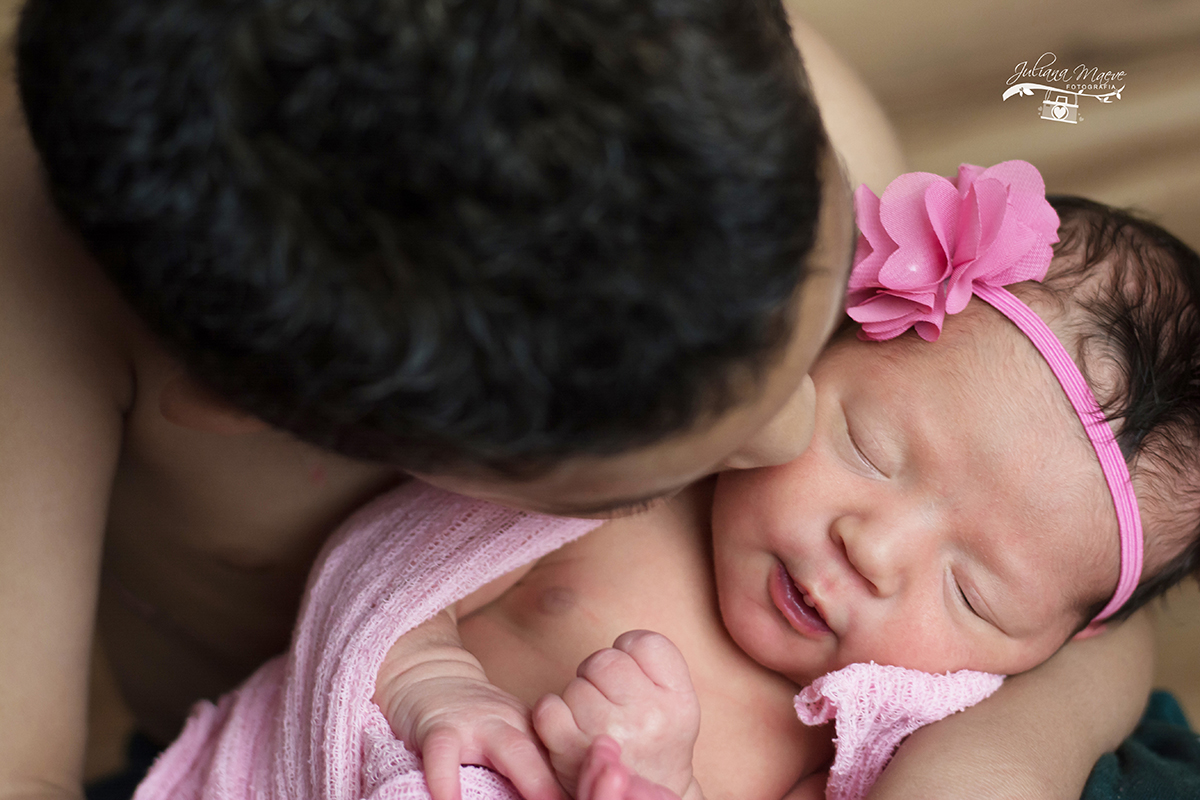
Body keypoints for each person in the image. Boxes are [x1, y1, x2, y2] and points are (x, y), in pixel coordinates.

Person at [0, 0, 1151, 796]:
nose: (792, 432)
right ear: (271, 410)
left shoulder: (765, 117)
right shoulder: (44, 313)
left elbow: (1083, 548)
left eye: (826, 342)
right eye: (656, 476)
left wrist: (1004, 756)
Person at [128, 163, 1200, 800]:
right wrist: (430, 687)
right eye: (873, 448)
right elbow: (379, 573)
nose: (873, 548)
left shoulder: (885, 728)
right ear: (819, 351)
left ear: (1049, 646)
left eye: (973, 588)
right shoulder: (633, 478)